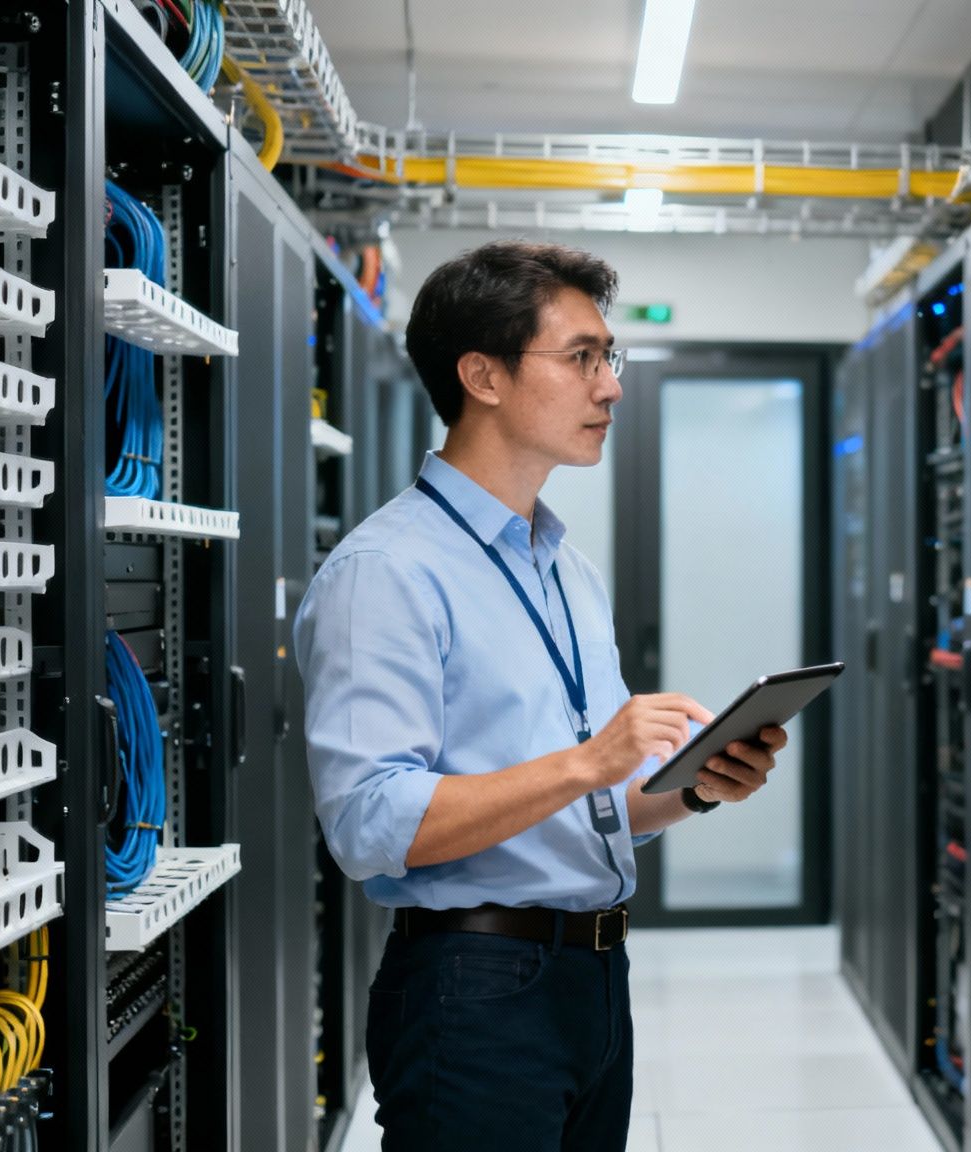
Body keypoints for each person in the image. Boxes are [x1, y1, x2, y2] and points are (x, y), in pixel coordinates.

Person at [293, 240, 787, 1151]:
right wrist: (588, 760)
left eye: (611, 359)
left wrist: (698, 784)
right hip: (472, 988)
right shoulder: (386, 572)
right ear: (481, 375)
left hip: (592, 982)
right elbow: (368, 824)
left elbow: (597, 805)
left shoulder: (564, 568)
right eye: (581, 358)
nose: (611, 388)